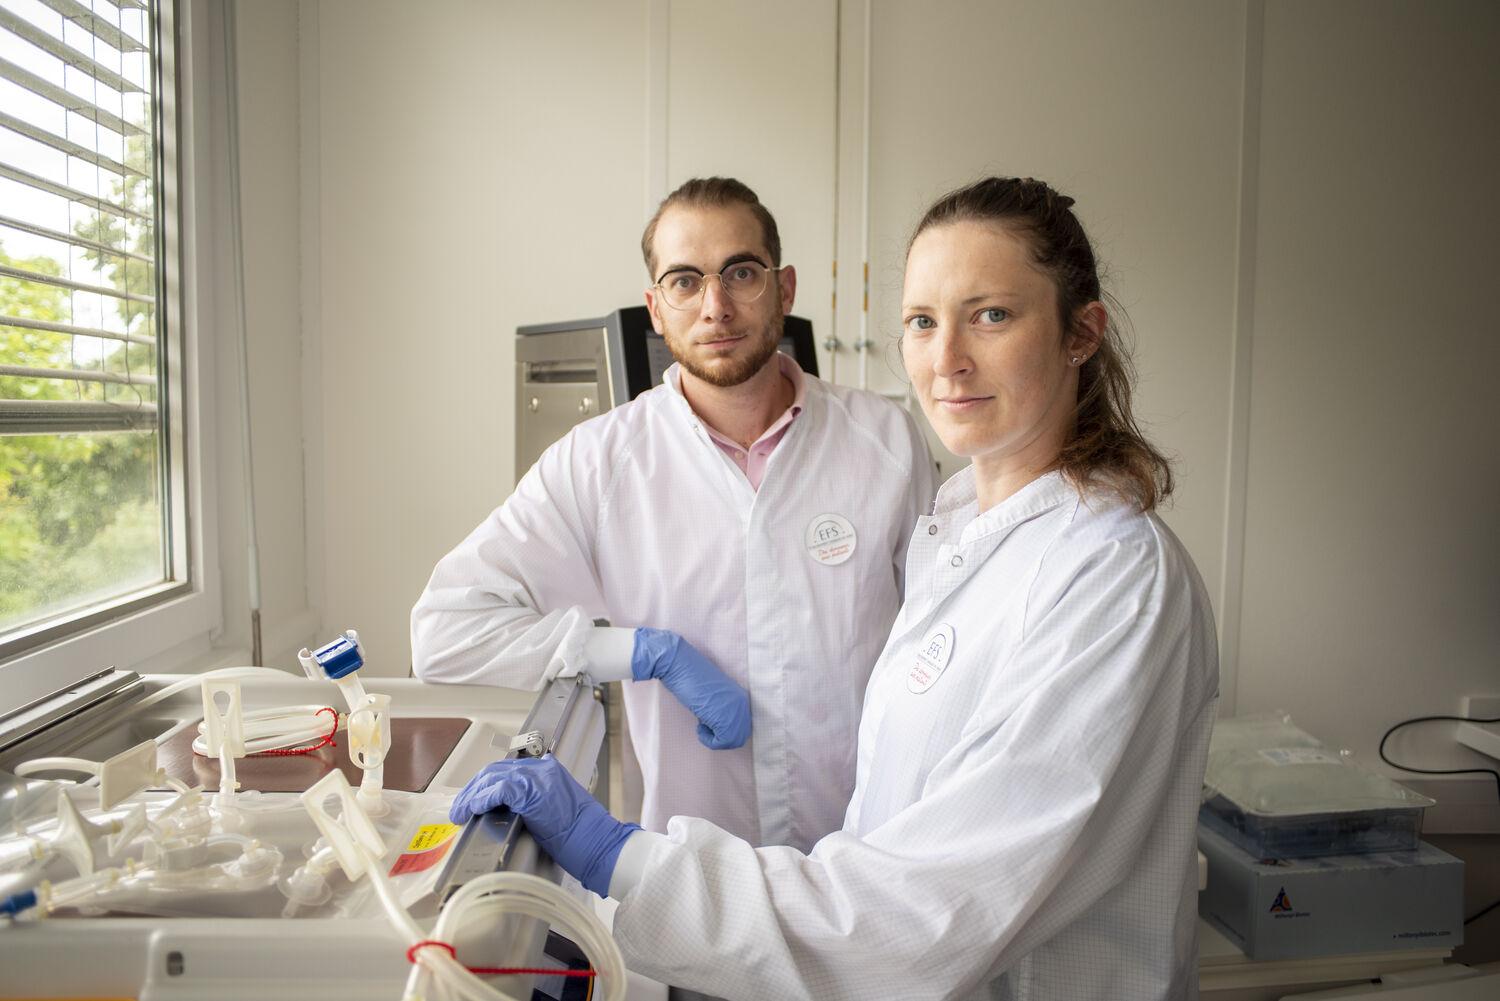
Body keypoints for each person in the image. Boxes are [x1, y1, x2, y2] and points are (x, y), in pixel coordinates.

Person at [448, 176, 1221, 1001]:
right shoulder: (964, 531)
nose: (947, 359)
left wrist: (621, 858)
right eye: (922, 321)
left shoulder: (1111, 577)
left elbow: (926, 913)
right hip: (801, 933)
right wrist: (639, 653)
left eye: (992, 314)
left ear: (1081, 333)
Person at [412, 177, 937, 853]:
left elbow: (938, 644)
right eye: (685, 281)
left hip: (867, 859)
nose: (716, 306)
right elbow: (444, 631)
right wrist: (638, 653)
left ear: (784, 289)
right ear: (656, 309)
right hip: (687, 879)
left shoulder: (886, 441)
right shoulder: (599, 464)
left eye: (741, 272)